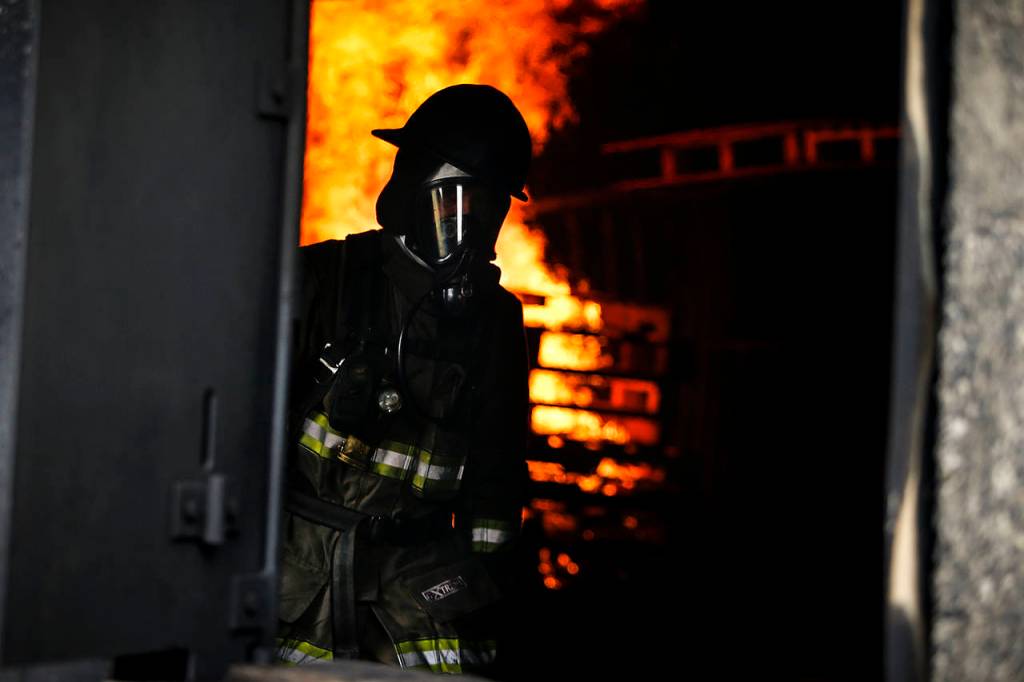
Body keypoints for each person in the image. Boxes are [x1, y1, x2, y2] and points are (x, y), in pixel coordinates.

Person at [275, 84, 531, 675]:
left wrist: (490, 590)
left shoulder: (495, 323)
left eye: (489, 208)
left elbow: (494, 486)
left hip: (423, 588)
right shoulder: (327, 280)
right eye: (456, 202)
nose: (470, 229)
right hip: (299, 580)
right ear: (413, 192)